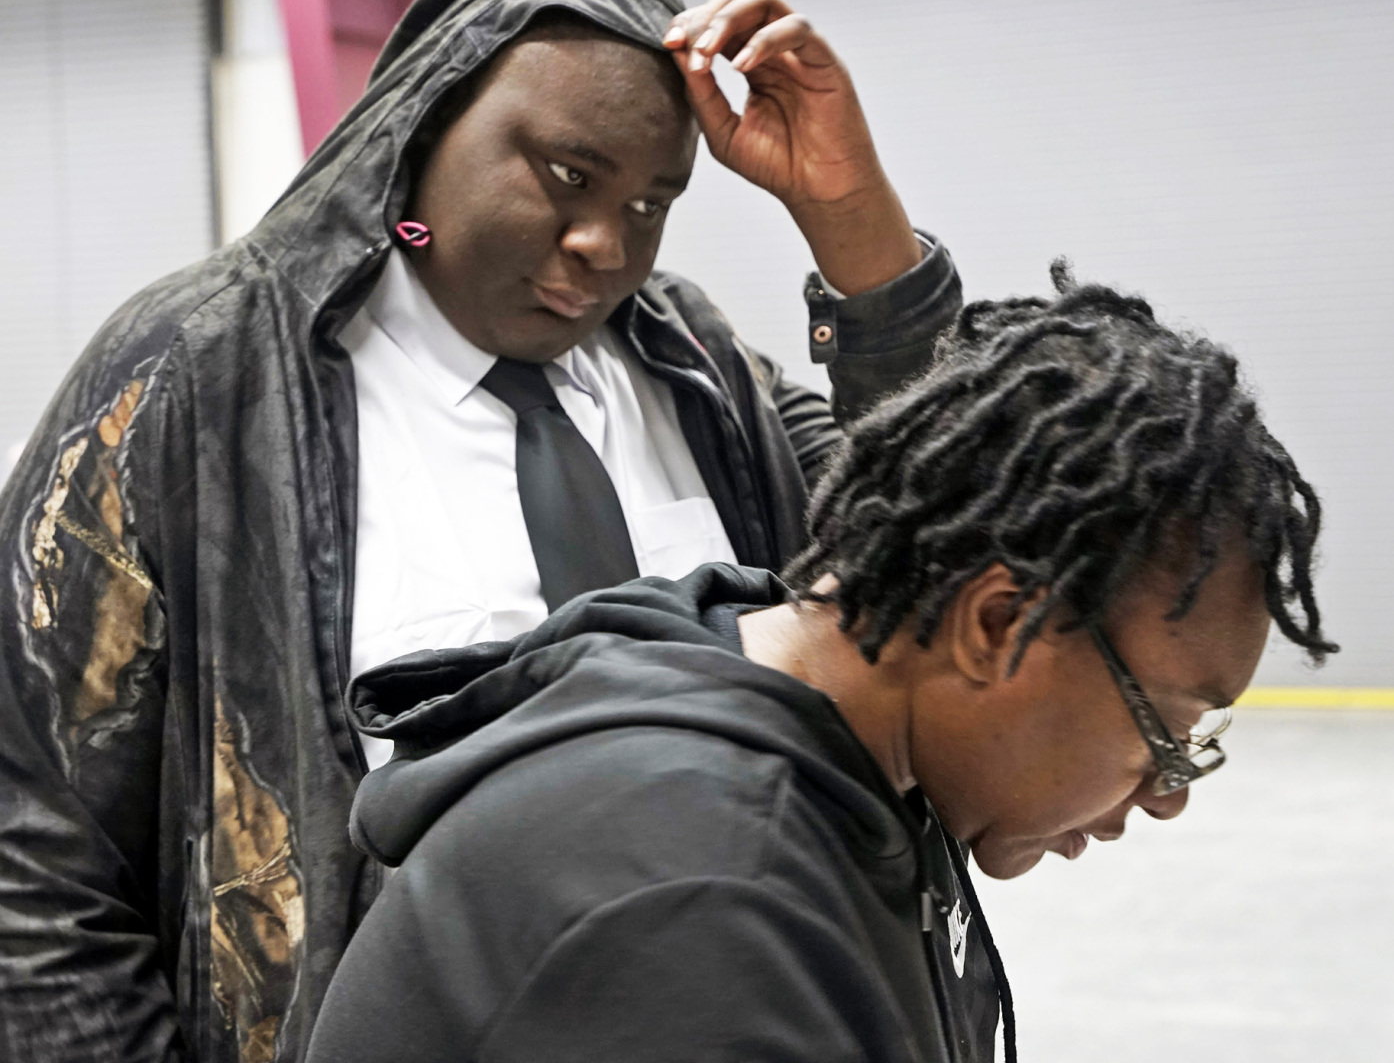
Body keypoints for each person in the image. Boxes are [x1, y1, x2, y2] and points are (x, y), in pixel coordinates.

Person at [0, 0, 962, 1062]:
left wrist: (850, 217)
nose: (603, 245)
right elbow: (35, 862)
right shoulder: (196, 376)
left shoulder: (695, 364)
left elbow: (950, 532)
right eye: (567, 176)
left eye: (651, 203)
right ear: (422, 122)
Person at [304, 267, 1336, 1063]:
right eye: (1166, 732)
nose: (1166, 795)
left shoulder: (825, 727)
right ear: (996, 625)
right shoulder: (697, 900)